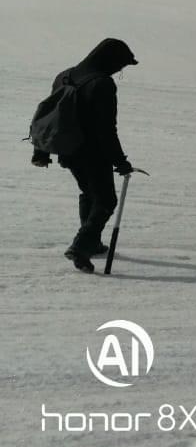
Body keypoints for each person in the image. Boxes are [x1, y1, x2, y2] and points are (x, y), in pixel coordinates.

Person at [31, 38, 138, 273]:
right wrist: (120, 162)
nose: (120, 69)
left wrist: (41, 150)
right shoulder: (102, 84)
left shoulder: (65, 75)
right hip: (92, 153)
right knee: (106, 200)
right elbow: (106, 130)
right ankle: (81, 246)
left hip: (67, 150)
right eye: (121, 64)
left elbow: (49, 113)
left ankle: (94, 242)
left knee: (89, 193)